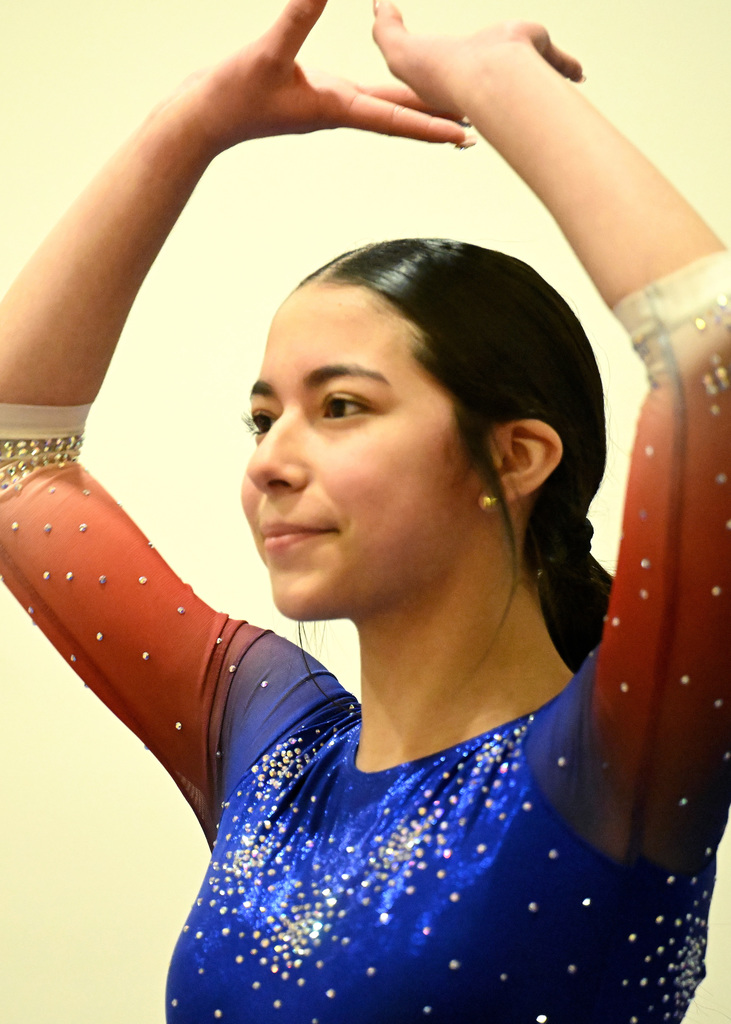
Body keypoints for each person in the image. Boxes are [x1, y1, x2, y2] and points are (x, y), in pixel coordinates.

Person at [0, 0, 728, 1021]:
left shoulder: (612, 767)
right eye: (261, 419)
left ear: (514, 457)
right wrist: (189, 125)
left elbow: (715, 367)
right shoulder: (274, 748)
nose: (271, 462)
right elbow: (14, 458)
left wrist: (498, 82)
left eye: (340, 407)